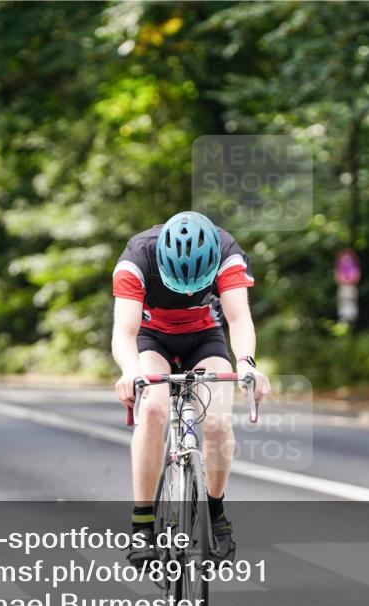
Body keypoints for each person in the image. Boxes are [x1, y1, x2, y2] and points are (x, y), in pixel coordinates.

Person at [111, 211, 270, 565]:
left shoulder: (227, 252)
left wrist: (247, 364)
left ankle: (215, 513)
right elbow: (124, 332)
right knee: (152, 409)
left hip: (204, 337)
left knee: (216, 423)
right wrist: (130, 371)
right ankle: (142, 523)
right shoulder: (137, 256)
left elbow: (238, 318)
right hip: (153, 338)